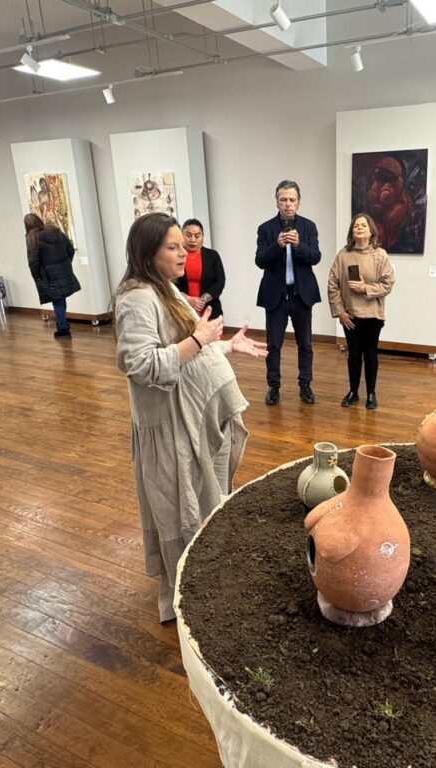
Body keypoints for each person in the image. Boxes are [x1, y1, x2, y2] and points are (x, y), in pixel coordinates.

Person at [114, 212, 266, 622]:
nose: (184, 253)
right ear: (148, 252)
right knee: (181, 508)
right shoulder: (136, 298)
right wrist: (200, 338)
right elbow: (141, 364)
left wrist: (227, 347)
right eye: (173, 247)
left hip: (195, 422)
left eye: (184, 245)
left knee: (206, 500)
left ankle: (206, 577)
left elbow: (190, 348)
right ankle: (186, 593)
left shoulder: (166, 289)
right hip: (171, 428)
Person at [255, 180, 322, 405]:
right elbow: (260, 261)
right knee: (273, 345)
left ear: (298, 202)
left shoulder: (308, 227)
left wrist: (298, 245)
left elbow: (315, 257)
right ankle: (273, 387)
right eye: (283, 199)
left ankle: (306, 386)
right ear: (276, 202)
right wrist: (277, 246)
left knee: (305, 344)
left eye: (292, 200)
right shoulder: (265, 228)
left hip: (301, 295)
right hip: (276, 296)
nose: (287, 204)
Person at [328, 213, 395, 409]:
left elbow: (388, 283)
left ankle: (371, 393)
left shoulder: (380, 255)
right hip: (350, 316)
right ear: (352, 231)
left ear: (371, 231)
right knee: (354, 354)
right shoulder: (343, 255)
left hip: (373, 315)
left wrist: (365, 288)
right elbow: (332, 284)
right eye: (356, 225)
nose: (359, 228)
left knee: (371, 355)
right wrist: (340, 312)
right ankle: (353, 392)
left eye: (363, 225)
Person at [24, 213, 80, 338]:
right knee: (61, 299)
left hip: (48, 276)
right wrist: (66, 264)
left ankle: (63, 328)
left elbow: (33, 262)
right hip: (63, 271)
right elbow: (70, 249)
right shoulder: (57, 232)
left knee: (57, 301)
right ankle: (62, 324)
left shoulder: (32, 239)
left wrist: (37, 276)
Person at [175, 218, 225, 319]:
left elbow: (220, 282)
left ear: (202, 236)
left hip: (210, 308)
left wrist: (201, 301)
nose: (193, 240)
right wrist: (188, 299)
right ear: (181, 235)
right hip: (183, 309)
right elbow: (170, 283)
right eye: (188, 235)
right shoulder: (176, 255)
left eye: (197, 236)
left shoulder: (212, 255)